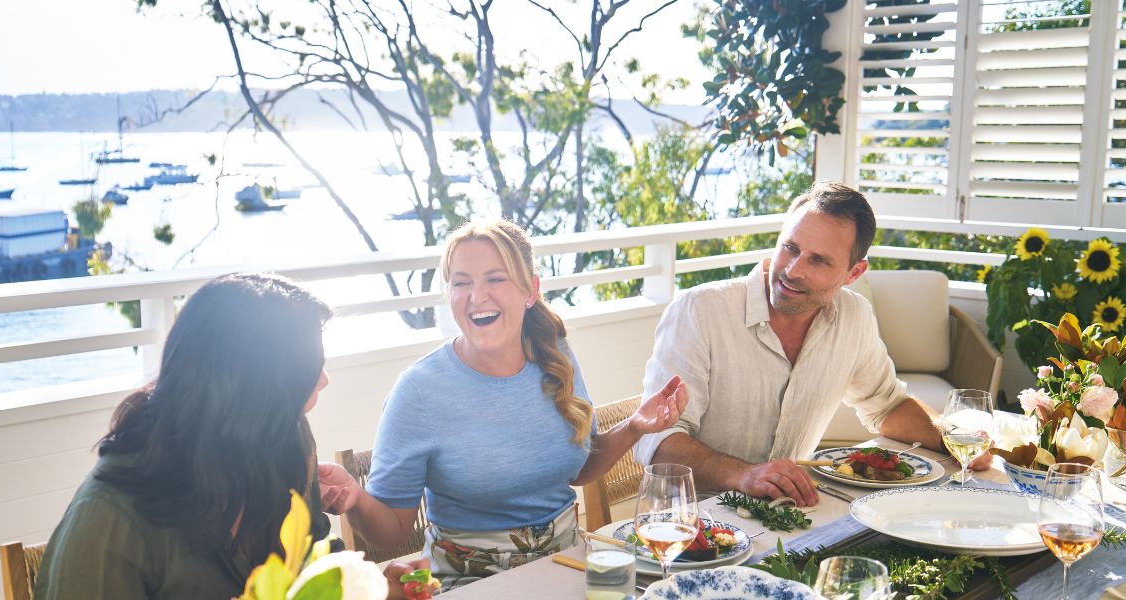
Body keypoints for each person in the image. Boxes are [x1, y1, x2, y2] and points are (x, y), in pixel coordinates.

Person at [317, 220, 688, 589]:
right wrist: (355, 497)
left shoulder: (556, 355)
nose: (477, 296)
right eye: (461, 282)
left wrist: (635, 426)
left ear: (531, 290)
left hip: (567, 566)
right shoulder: (417, 391)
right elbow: (391, 532)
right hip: (469, 584)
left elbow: (580, 469)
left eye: (495, 279)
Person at [34, 273, 426, 600]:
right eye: (310, 366)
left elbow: (311, 562)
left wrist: (377, 588)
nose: (324, 379)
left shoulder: (287, 440)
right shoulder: (109, 522)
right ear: (254, 389)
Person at [633, 182, 991, 508]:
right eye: (790, 248)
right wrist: (744, 475)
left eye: (819, 260)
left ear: (853, 273)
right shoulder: (699, 311)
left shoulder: (854, 316)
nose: (793, 270)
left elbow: (888, 405)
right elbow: (658, 442)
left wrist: (953, 438)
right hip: (691, 521)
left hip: (787, 515)